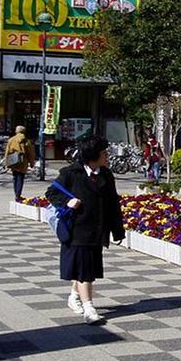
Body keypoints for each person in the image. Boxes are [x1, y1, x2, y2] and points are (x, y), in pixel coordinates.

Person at [45, 136, 125, 324]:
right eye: (104, 153)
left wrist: (117, 230)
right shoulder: (71, 173)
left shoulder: (106, 174)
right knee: (85, 271)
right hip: (77, 231)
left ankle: (74, 297)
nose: (107, 155)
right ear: (92, 155)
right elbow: (51, 193)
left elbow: (113, 203)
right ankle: (89, 308)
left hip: (97, 230)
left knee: (86, 269)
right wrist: (68, 201)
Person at [4, 125, 36, 201]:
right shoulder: (26, 141)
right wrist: (32, 163)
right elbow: (30, 153)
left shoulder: (11, 140)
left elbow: (7, 152)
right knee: (20, 178)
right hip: (23, 161)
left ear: (16, 131)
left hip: (13, 161)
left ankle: (16, 194)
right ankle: (18, 195)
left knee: (15, 178)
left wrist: (6, 163)